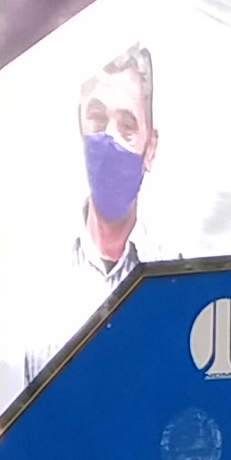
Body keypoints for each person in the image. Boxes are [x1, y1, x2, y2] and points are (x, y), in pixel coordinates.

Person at [76, 43, 161, 286]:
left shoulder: (172, 270)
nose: (110, 137)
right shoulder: (39, 266)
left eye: (127, 126)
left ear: (151, 150)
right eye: (97, 118)